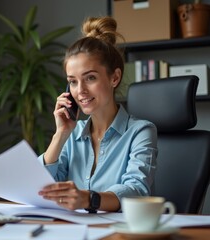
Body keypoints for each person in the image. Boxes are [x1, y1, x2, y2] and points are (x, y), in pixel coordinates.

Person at [37, 16, 158, 212]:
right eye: (73, 82)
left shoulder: (140, 131)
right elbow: (41, 189)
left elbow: (136, 190)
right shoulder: (72, 135)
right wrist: (60, 135)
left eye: (90, 78)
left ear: (115, 77)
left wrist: (87, 199)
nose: (80, 91)